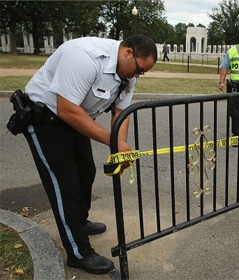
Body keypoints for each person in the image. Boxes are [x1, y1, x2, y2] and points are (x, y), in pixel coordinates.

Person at [10, 35, 157, 274]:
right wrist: (112, 142)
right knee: (64, 185)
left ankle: (79, 222)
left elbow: (121, 113)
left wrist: (120, 145)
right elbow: (66, 109)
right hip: (45, 119)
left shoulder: (128, 73)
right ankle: (79, 253)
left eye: (143, 73)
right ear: (128, 52)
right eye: (139, 69)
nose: (137, 76)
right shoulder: (85, 57)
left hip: (76, 119)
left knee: (86, 173)